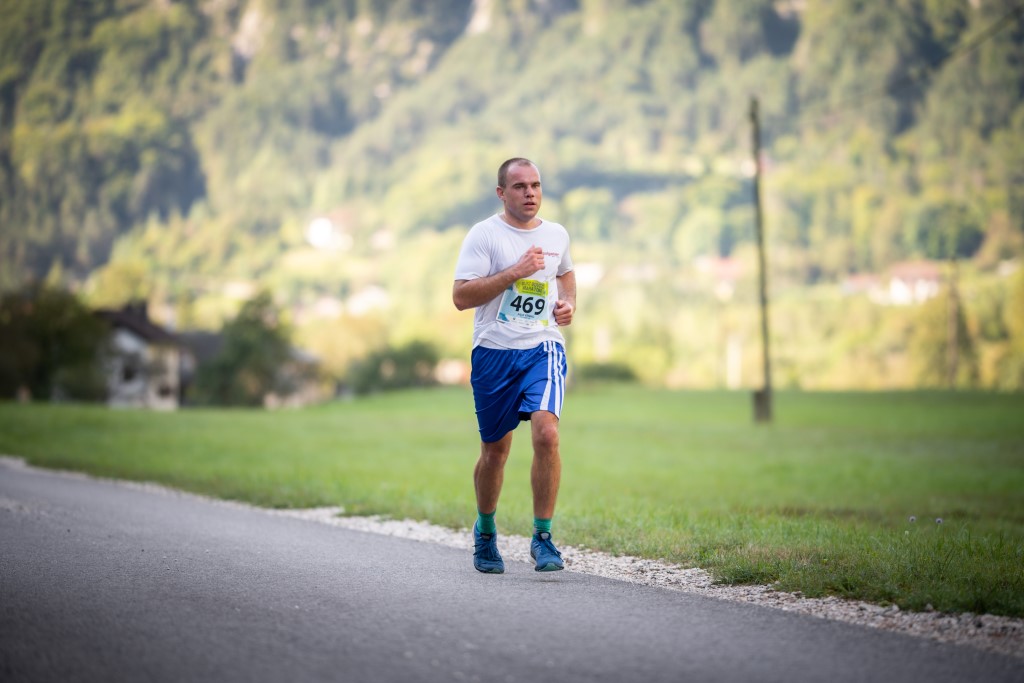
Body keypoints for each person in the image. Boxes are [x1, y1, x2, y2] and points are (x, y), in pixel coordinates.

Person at [452, 157, 576, 574]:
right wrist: (515, 272)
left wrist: (568, 303)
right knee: (495, 452)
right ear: (501, 193)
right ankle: (486, 531)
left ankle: (543, 537)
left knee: (547, 433)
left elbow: (566, 274)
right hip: (494, 351)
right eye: (520, 186)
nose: (530, 193)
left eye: (536, 185)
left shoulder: (556, 234)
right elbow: (461, 297)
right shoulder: (484, 235)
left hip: (543, 346)